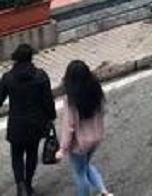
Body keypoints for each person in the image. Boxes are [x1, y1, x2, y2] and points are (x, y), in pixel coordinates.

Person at [0, 44, 56, 196]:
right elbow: (48, 102)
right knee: (32, 154)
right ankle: (29, 184)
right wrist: (51, 118)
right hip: (36, 124)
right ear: (31, 58)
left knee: (16, 156)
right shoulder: (41, 76)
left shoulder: (7, 78)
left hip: (16, 125)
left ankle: (21, 186)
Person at [56, 60, 112, 196]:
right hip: (96, 138)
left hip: (79, 144)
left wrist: (62, 149)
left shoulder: (71, 101)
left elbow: (68, 127)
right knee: (86, 165)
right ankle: (104, 191)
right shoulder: (97, 92)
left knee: (79, 172)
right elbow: (104, 111)